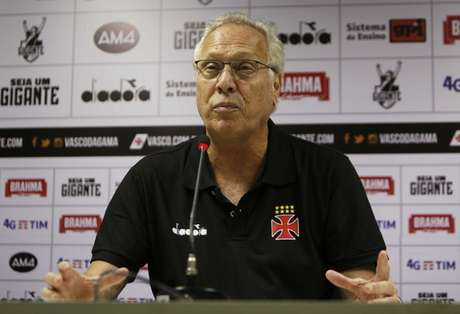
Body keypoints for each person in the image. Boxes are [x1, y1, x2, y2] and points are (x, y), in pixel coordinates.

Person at [42, 13, 400, 303]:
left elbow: (359, 286)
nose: (225, 82)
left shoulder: (327, 173)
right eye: (210, 68)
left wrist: (370, 302)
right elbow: (106, 275)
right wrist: (87, 294)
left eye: (244, 67)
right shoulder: (151, 178)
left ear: (276, 87)